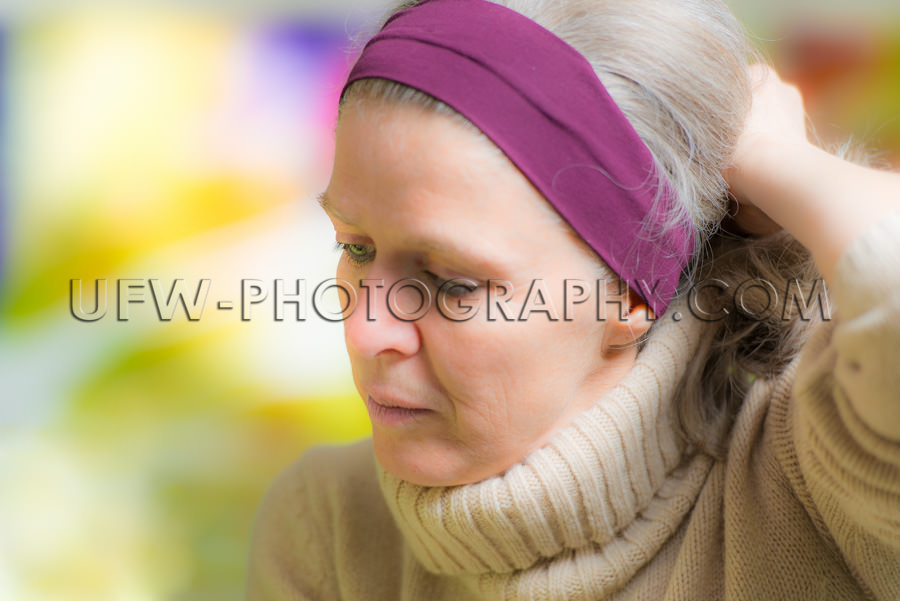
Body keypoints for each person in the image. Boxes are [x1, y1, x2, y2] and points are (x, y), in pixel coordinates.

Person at [245, 0, 900, 599]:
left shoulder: (824, 474)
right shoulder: (329, 520)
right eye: (355, 247)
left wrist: (773, 155)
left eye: (450, 281)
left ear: (632, 291)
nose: (364, 329)